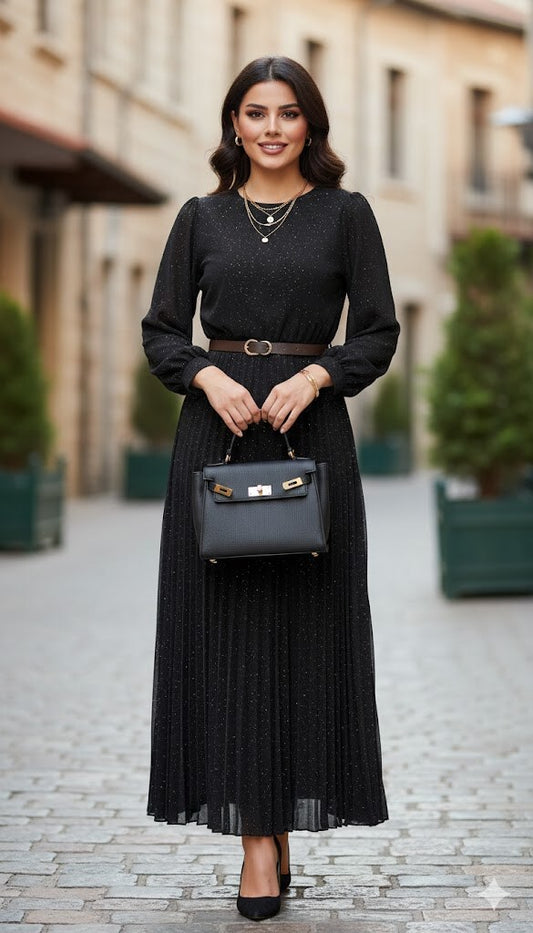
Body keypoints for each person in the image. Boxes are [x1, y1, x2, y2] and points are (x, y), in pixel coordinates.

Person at [142, 55, 399, 921]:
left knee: (301, 634)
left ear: (310, 126)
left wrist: (319, 377)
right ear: (234, 125)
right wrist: (206, 378)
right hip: (215, 440)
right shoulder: (199, 217)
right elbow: (162, 331)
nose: (272, 128)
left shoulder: (346, 216)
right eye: (255, 113)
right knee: (226, 638)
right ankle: (258, 841)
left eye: (288, 113)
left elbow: (375, 332)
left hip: (310, 439)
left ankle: (276, 816)